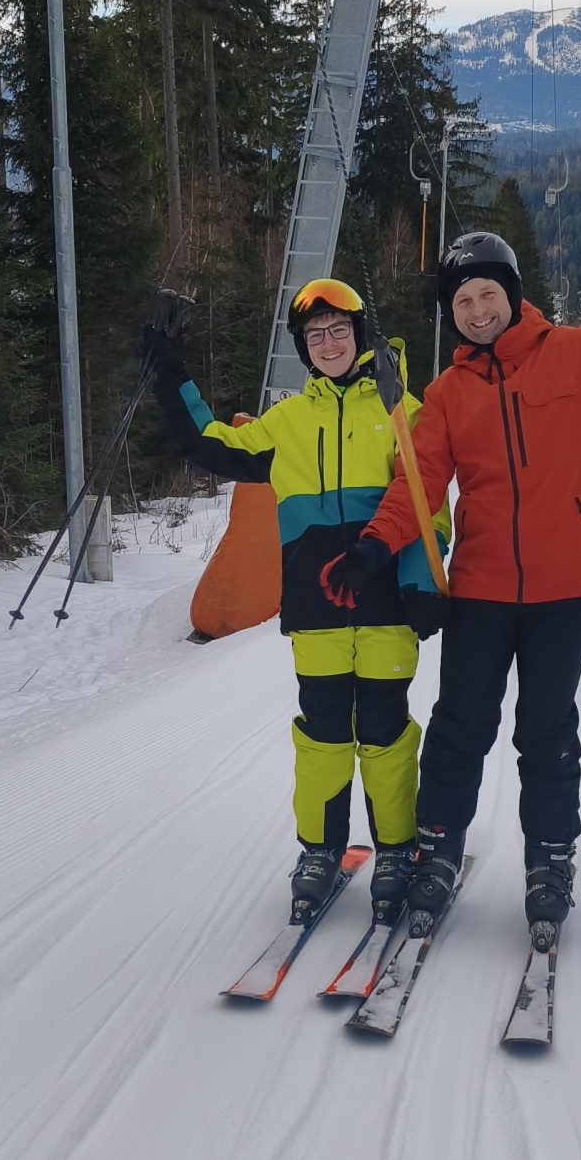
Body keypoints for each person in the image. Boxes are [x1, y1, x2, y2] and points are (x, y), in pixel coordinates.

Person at [320, 231, 581, 947]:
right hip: (482, 590)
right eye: (463, 301)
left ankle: (549, 861)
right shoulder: (446, 395)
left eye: (488, 293)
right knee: (460, 726)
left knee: (546, 731)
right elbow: (416, 482)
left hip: (566, 588)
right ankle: (438, 849)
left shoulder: (575, 355)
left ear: (513, 294)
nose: (477, 310)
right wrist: (375, 544)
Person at [143, 278, 447, 926]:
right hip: (317, 611)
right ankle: (321, 851)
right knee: (323, 736)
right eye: (315, 335)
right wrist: (172, 374)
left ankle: (397, 851)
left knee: (386, 734)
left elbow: (429, 508)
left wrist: (422, 583)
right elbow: (210, 443)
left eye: (338, 330)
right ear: (303, 348)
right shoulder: (286, 421)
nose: (328, 343)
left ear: (359, 335)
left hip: (386, 608)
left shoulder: (403, 411)